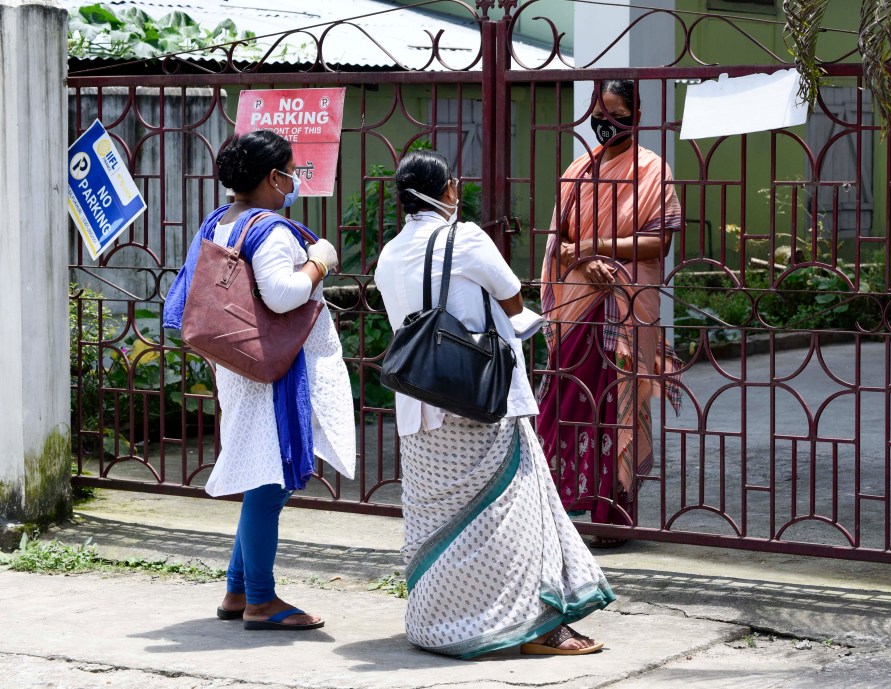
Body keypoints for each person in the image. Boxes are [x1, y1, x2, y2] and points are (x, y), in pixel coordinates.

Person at [374, 150, 614, 658]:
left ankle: (439, 624)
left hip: (420, 411)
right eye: (455, 186)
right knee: (516, 514)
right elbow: (511, 300)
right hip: (479, 400)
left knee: (438, 525)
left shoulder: (389, 255)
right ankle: (541, 628)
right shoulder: (465, 238)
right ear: (447, 192)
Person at [163, 130, 356, 630]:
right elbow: (283, 295)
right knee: (269, 481)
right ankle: (262, 601)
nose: (295, 180)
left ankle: (236, 590)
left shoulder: (219, 221)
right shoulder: (270, 230)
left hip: (239, 364)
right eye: (291, 171)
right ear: (275, 177)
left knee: (257, 472)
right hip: (272, 370)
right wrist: (319, 262)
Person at [537, 80, 683, 549]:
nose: (605, 122)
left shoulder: (651, 170)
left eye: (616, 113)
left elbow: (659, 240)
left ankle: (610, 516)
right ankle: (554, 507)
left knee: (616, 406)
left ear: (635, 116)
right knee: (567, 403)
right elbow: (558, 242)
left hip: (626, 306)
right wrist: (583, 260)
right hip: (579, 303)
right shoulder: (578, 170)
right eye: (598, 111)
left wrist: (599, 248)